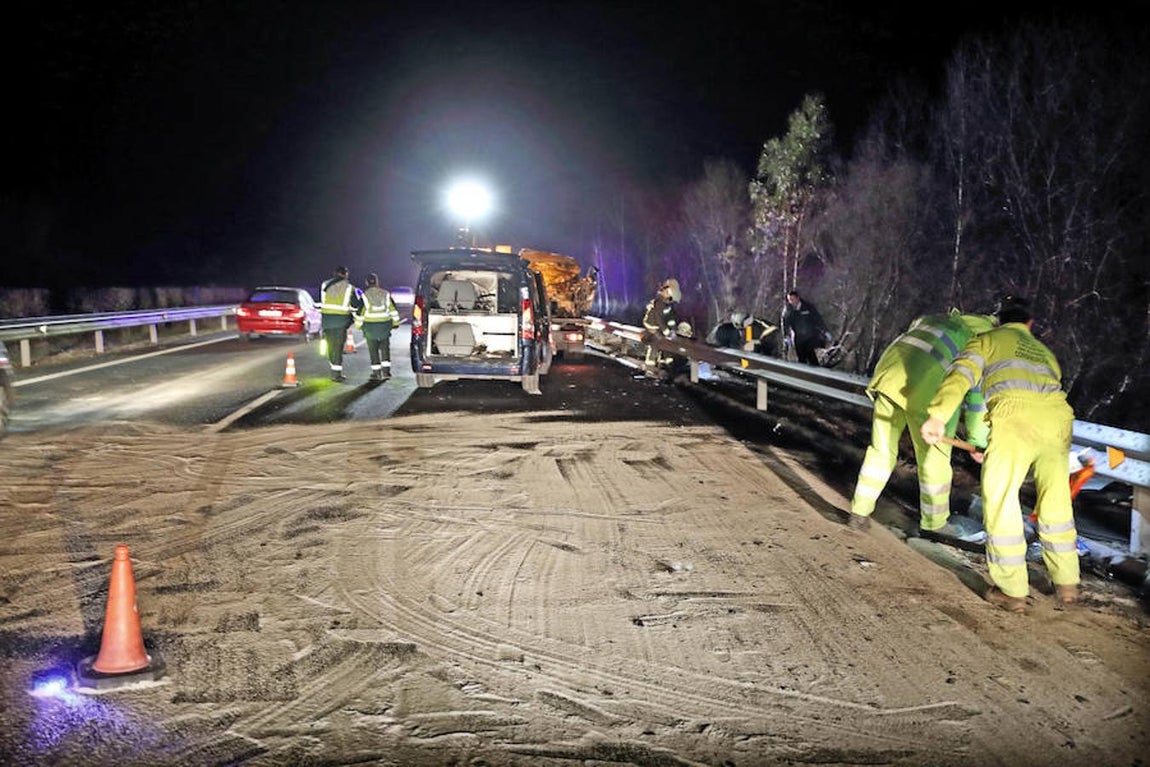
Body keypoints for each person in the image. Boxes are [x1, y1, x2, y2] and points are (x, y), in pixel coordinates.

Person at [921, 296, 1079, 613]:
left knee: (1001, 498)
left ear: (999, 320)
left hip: (1013, 419)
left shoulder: (988, 340)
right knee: (1055, 499)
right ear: (1029, 324)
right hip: (1059, 420)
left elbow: (961, 375)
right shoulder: (1045, 352)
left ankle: (1012, 591)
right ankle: (1067, 583)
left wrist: (938, 415)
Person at [847, 310, 996, 535]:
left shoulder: (942, 319)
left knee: (881, 451)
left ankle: (859, 513)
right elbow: (977, 398)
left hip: (889, 376)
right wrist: (977, 441)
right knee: (934, 460)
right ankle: (935, 526)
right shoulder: (982, 342)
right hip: (928, 389)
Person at [319, 265, 363, 382]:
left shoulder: (324, 285)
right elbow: (355, 305)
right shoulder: (349, 288)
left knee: (330, 345)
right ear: (345, 274)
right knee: (338, 347)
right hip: (340, 321)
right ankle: (336, 373)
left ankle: (333, 364)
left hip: (327, 320)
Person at [357, 273, 401, 381]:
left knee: (373, 350)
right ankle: (386, 372)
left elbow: (360, 313)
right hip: (384, 326)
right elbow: (393, 310)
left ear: (366, 282)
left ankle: (376, 373)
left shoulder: (364, 296)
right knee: (385, 349)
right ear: (377, 282)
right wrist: (395, 323)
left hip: (370, 327)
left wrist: (359, 326)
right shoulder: (385, 294)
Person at [782, 290, 832, 365]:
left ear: (797, 298)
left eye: (792, 299)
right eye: (789, 300)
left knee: (811, 356)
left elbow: (818, 319)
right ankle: (803, 374)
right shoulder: (788, 310)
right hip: (797, 337)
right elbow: (785, 323)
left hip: (809, 336)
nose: (791, 302)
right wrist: (786, 336)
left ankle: (816, 372)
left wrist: (825, 331)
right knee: (801, 359)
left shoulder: (808, 307)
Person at [642, 278, 680, 369]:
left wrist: (673, 330)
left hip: (657, 328)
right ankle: (650, 366)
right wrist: (666, 331)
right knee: (655, 344)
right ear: (663, 292)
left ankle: (666, 364)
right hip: (652, 328)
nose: (669, 293)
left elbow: (669, 318)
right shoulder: (659, 303)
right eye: (667, 291)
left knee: (665, 343)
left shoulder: (666, 304)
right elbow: (659, 319)